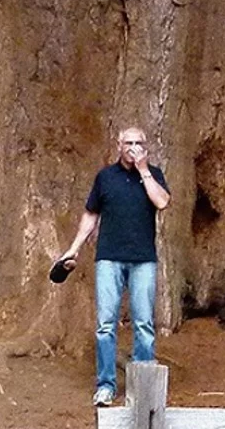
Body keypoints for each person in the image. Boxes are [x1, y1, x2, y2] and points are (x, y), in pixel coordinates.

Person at [56, 126, 169, 406]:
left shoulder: (153, 175)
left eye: (138, 143)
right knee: (106, 325)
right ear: (118, 145)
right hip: (109, 258)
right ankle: (106, 385)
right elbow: (91, 215)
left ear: (146, 146)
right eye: (128, 142)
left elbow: (162, 202)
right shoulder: (105, 177)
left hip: (143, 259)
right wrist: (73, 249)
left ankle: (143, 387)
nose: (133, 147)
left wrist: (143, 170)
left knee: (143, 323)